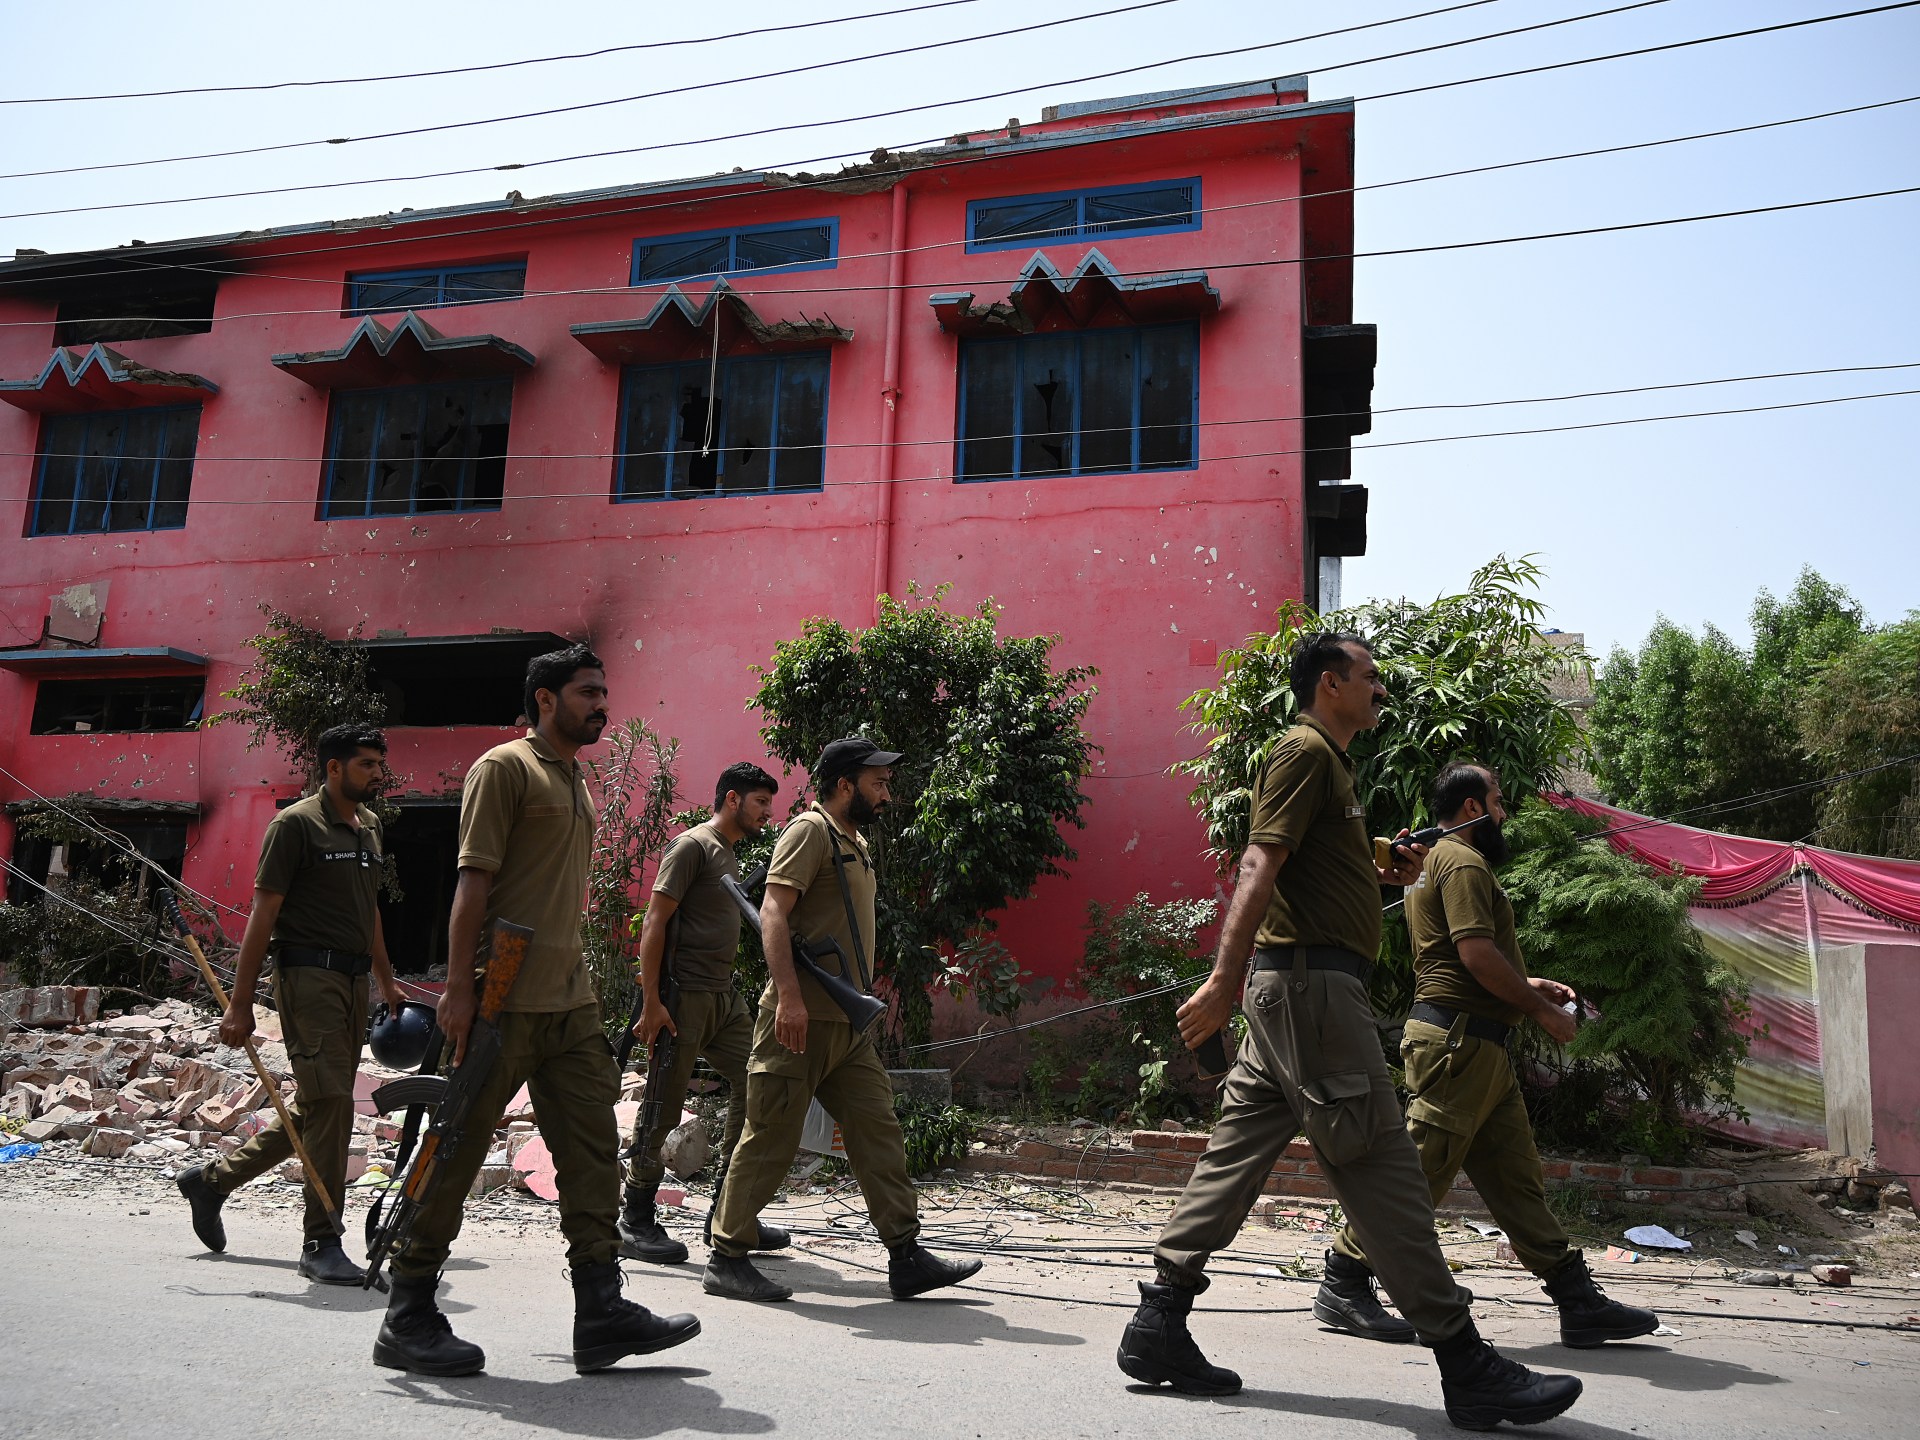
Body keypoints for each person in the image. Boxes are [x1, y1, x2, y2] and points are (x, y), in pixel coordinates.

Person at [1115, 633, 1584, 1432]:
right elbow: (1260, 864)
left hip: (1294, 996)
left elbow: (1314, 859)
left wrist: (1377, 862)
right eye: (1370, 677)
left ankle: (1159, 1320)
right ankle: (1465, 1361)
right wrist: (1222, 982)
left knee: (1233, 1158)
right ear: (1330, 684)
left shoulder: (1331, 765)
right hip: (1312, 993)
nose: (1381, 689)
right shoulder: (1303, 751)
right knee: (1383, 1167)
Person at [371, 645, 699, 1377]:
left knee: (592, 1154)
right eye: (588, 693)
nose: (602, 705)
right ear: (545, 700)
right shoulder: (504, 768)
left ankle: (601, 1309)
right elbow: (472, 882)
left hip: (569, 999)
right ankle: (408, 1310)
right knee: (455, 1151)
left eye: (603, 693)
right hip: (502, 994)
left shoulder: (574, 777)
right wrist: (459, 990)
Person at [1317, 762, 1659, 1349]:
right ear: (1473, 807)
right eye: (1498, 802)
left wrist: (1528, 984)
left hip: (1477, 1045)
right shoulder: (1463, 861)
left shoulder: (1432, 862)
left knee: (1516, 1182)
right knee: (1417, 1174)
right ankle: (1345, 1277)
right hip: (1459, 1045)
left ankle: (1577, 1301)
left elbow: (1458, 957)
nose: (1503, 813)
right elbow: (1475, 955)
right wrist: (1542, 1010)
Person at [700, 737, 981, 1304]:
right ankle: (727, 1256)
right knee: (771, 1137)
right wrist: (789, 998)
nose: (887, 794)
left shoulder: (854, 842)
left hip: (845, 1026)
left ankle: (905, 1254)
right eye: (878, 784)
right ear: (846, 785)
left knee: (878, 1130)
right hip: (797, 1021)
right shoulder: (810, 831)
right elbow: (773, 910)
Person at [175, 723, 406, 1285]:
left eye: (380, 763)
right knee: (332, 1103)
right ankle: (321, 1241)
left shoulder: (369, 826)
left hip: (354, 983)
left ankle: (212, 1183)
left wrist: (387, 979)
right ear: (334, 767)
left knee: (320, 1105)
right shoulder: (295, 825)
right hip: (307, 978)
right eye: (367, 764)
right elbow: (264, 913)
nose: (378, 773)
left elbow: (369, 910)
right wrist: (239, 1004)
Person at [618, 761, 792, 1264]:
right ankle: (635, 1217)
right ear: (733, 799)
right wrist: (652, 1001)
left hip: (722, 996)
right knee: (663, 1105)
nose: (768, 812)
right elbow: (655, 920)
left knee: (757, 1082)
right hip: (683, 997)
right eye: (760, 802)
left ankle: (728, 1212)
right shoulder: (692, 845)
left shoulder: (728, 854)